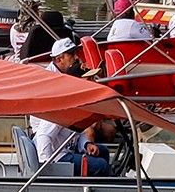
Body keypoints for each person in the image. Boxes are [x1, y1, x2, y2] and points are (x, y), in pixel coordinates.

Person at [29, 38, 120, 176]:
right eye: (89, 79)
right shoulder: (62, 103)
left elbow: (79, 133)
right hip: (57, 154)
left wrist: (86, 145)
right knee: (101, 165)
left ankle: (101, 185)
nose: (92, 82)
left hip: (65, 145)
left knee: (104, 151)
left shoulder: (74, 97)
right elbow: (43, 135)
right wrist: (46, 168)